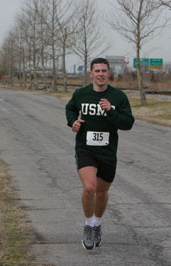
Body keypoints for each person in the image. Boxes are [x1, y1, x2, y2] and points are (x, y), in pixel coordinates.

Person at [66, 58, 134, 250]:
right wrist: (73, 122)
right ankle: (88, 225)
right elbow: (70, 109)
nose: (101, 74)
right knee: (89, 187)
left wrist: (111, 111)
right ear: (91, 74)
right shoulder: (81, 94)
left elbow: (128, 123)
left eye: (104, 71)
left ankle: (97, 224)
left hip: (108, 151)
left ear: (109, 74)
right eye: (97, 71)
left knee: (102, 192)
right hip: (85, 148)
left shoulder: (118, 97)